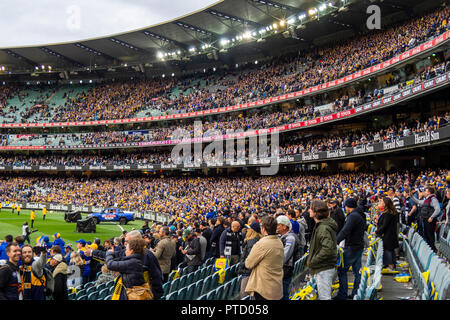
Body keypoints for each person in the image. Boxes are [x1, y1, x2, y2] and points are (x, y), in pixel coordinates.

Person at [245, 216, 284, 300]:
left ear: (263, 228)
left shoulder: (262, 244)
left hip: (263, 288)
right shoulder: (279, 242)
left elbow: (248, 264)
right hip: (276, 286)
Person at [334, 197, 366, 300]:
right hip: (358, 246)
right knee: (357, 272)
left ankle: (342, 294)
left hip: (352, 247)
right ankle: (356, 293)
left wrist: (335, 241)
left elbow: (345, 231)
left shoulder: (353, 216)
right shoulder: (360, 214)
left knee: (342, 270)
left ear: (348, 206)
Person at [307, 200, 338, 300]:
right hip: (324, 267)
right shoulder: (322, 225)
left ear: (316, 212)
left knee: (324, 297)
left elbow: (327, 249)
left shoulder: (323, 228)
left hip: (323, 268)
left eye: (311, 208)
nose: (308, 210)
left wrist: (313, 260)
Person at [277, 215, 301, 300]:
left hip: (285, 271)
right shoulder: (283, 237)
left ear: (284, 226)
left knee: (283, 295)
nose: (276, 226)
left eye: (278, 224)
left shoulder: (290, 238)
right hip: (282, 271)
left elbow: (284, 257)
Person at [410, 186, 441, 252]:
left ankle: (433, 249)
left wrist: (432, 217)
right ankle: (430, 249)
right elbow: (419, 202)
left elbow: (438, 209)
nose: (424, 192)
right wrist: (412, 196)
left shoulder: (433, 199)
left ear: (429, 192)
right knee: (426, 234)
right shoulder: (427, 199)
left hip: (430, 220)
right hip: (426, 219)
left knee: (430, 235)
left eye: (425, 191)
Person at [374, 197, 399, 270]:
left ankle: (391, 266)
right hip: (390, 235)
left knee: (388, 250)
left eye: (381, 202)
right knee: (390, 251)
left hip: (388, 235)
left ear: (385, 204)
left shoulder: (388, 214)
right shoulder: (388, 213)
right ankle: (391, 265)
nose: (380, 203)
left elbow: (384, 225)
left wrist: (376, 232)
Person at [237, 222, 261, 299]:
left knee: (244, 295)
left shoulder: (252, 241)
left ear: (252, 230)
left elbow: (250, 258)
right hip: (251, 272)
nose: (247, 230)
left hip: (248, 272)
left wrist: (243, 265)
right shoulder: (257, 240)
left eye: (249, 229)